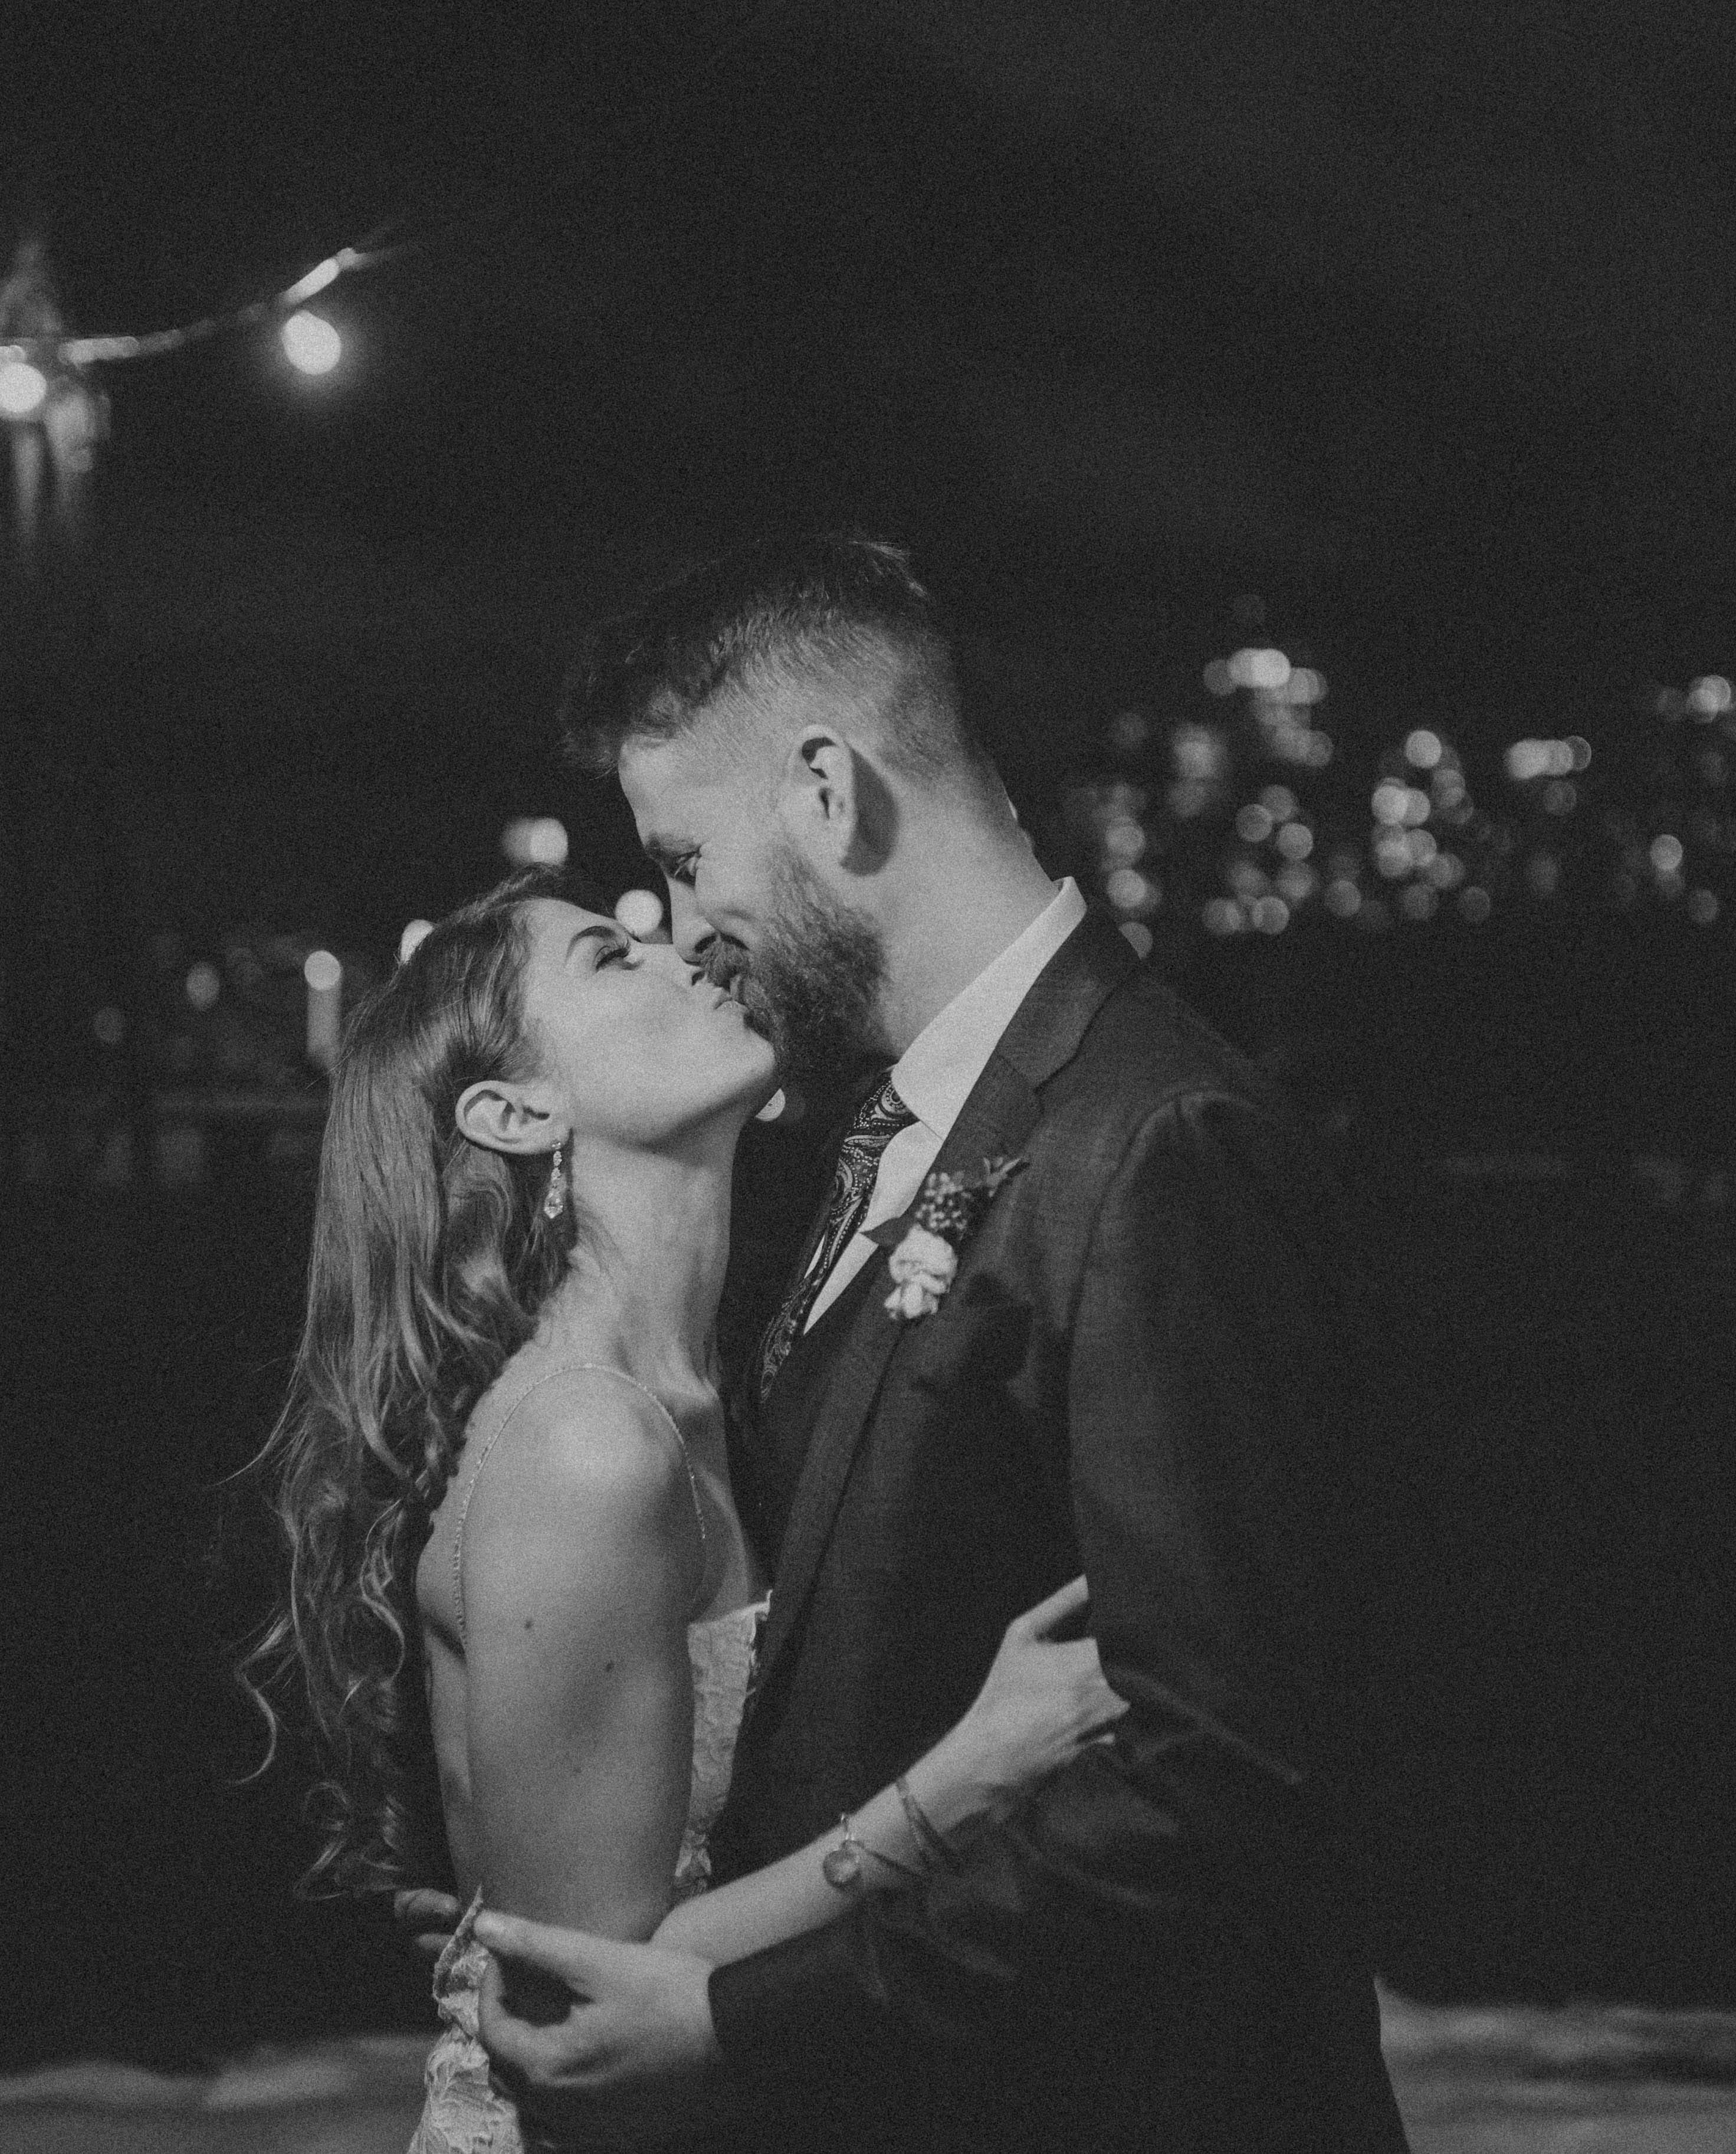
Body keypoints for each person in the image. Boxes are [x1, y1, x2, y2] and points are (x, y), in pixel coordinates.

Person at [410, 535, 1407, 2153]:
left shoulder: (1149, 1138)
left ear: (828, 792)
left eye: (688, 856)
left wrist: (741, 2017)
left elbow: (1217, 1778)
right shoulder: (894, 1130)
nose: (686, 923)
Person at [236, 867, 1130, 2154]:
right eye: (612, 955)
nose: (685, 953)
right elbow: (581, 1998)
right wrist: (969, 1775)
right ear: (514, 1109)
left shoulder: (716, 1393)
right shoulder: (586, 1447)